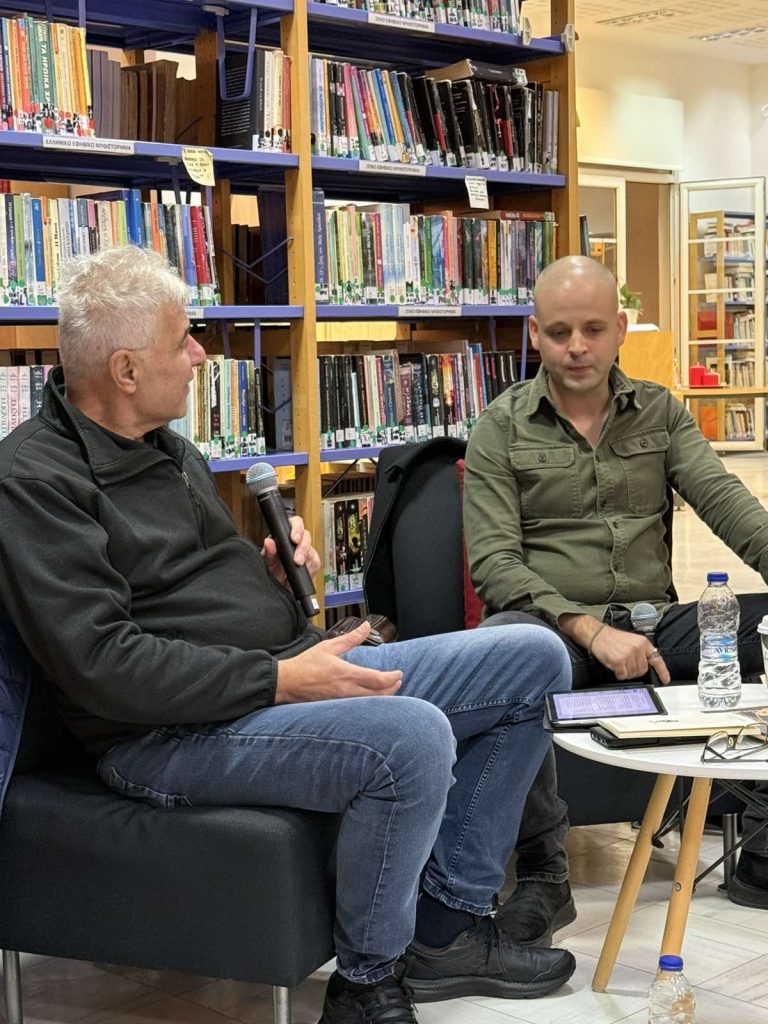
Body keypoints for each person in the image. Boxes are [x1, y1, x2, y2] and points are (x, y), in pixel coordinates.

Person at [0, 246, 577, 1024]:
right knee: (410, 739)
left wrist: (270, 579)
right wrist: (280, 681)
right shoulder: (34, 482)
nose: (201, 355)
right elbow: (103, 665)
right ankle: (366, 985)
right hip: (165, 735)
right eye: (183, 339)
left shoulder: (170, 450)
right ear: (126, 370)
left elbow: (194, 594)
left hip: (275, 672)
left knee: (535, 658)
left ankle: (445, 926)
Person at [463, 254, 768, 927]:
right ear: (535, 333)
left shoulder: (659, 413)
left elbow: (728, 505)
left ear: (621, 330)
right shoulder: (499, 427)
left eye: (593, 330)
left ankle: (761, 849)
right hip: (552, 634)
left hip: (659, 627)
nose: (577, 347)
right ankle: (544, 875)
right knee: (505, 653)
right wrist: (588, 628)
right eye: (560, 332)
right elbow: (495, 565)